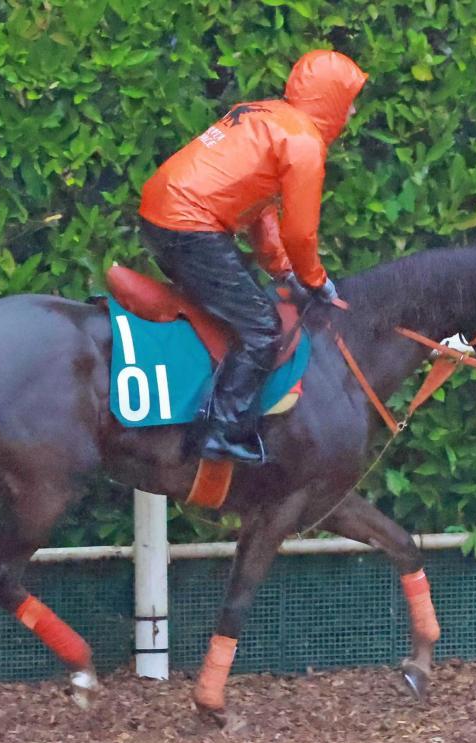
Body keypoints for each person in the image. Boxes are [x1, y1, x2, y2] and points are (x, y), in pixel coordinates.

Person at [139, 50, 367, 464]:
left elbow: (259, 208)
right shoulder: (304, 143)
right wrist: (314, 280)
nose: (353, 111)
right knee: (262, 328)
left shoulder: (267, 114)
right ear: (331, 99)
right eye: (350, 99)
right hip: (191, 227)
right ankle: (219, 433)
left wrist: (282, 270)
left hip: (160, 211)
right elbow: (300, 231)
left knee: (236, 310)